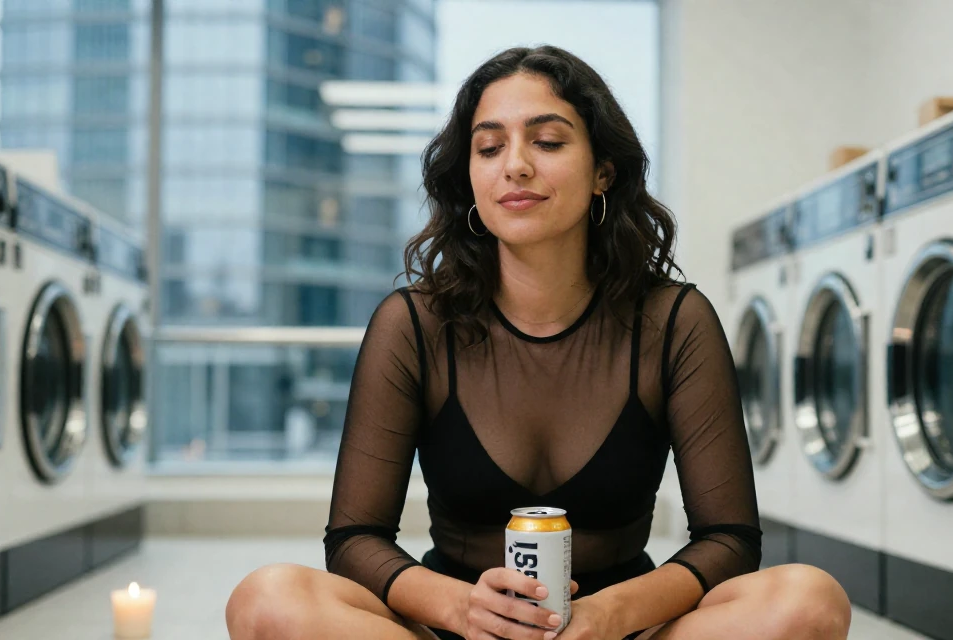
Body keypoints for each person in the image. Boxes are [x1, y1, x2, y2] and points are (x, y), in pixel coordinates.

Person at [226, 45, 851, 640]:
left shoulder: (673, 321)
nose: (515, 164)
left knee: (809, 601)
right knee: (266, 599)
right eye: (489, 147)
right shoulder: (414, 323)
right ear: (470, 178)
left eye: (548, 141)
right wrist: (462, 609)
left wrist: (606, 617)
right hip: (456, 626)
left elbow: (730, 537)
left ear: (603, 170)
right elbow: (355, 538)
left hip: (620, 628)